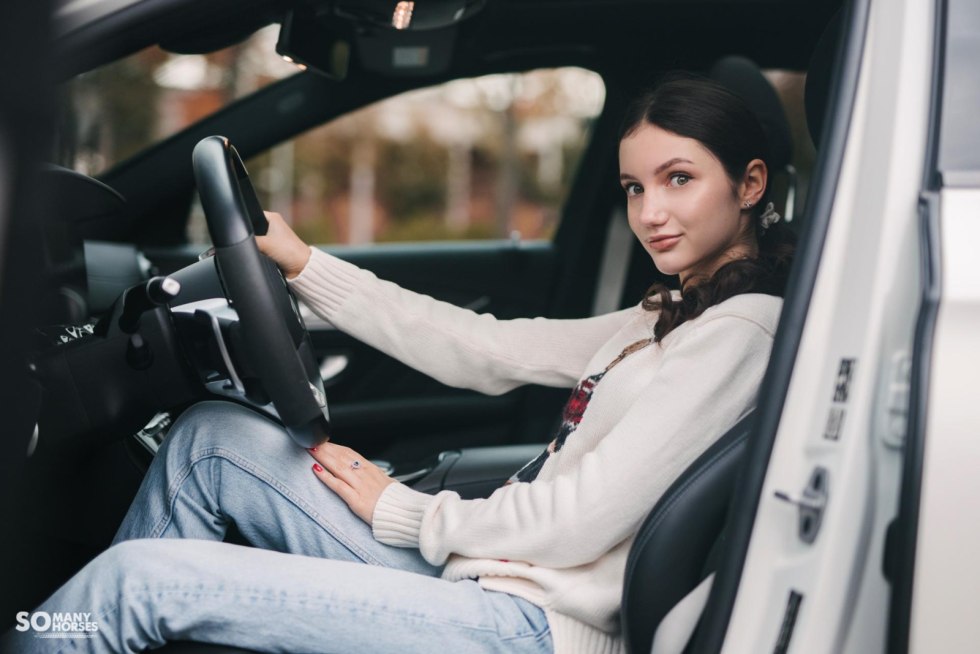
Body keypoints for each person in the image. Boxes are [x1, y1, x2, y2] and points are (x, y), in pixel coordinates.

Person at [3, 77, 794, 654]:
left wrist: (407, 511)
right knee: (213, 442)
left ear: (750, 184)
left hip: (533, 629)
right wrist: (307, 265)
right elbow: (483, 347)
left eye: (678, 180)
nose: (650, 213)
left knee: (134, 583)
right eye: (634, 187)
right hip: (492, 581)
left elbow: (580, 517)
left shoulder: (739, 336)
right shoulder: (665, 315)